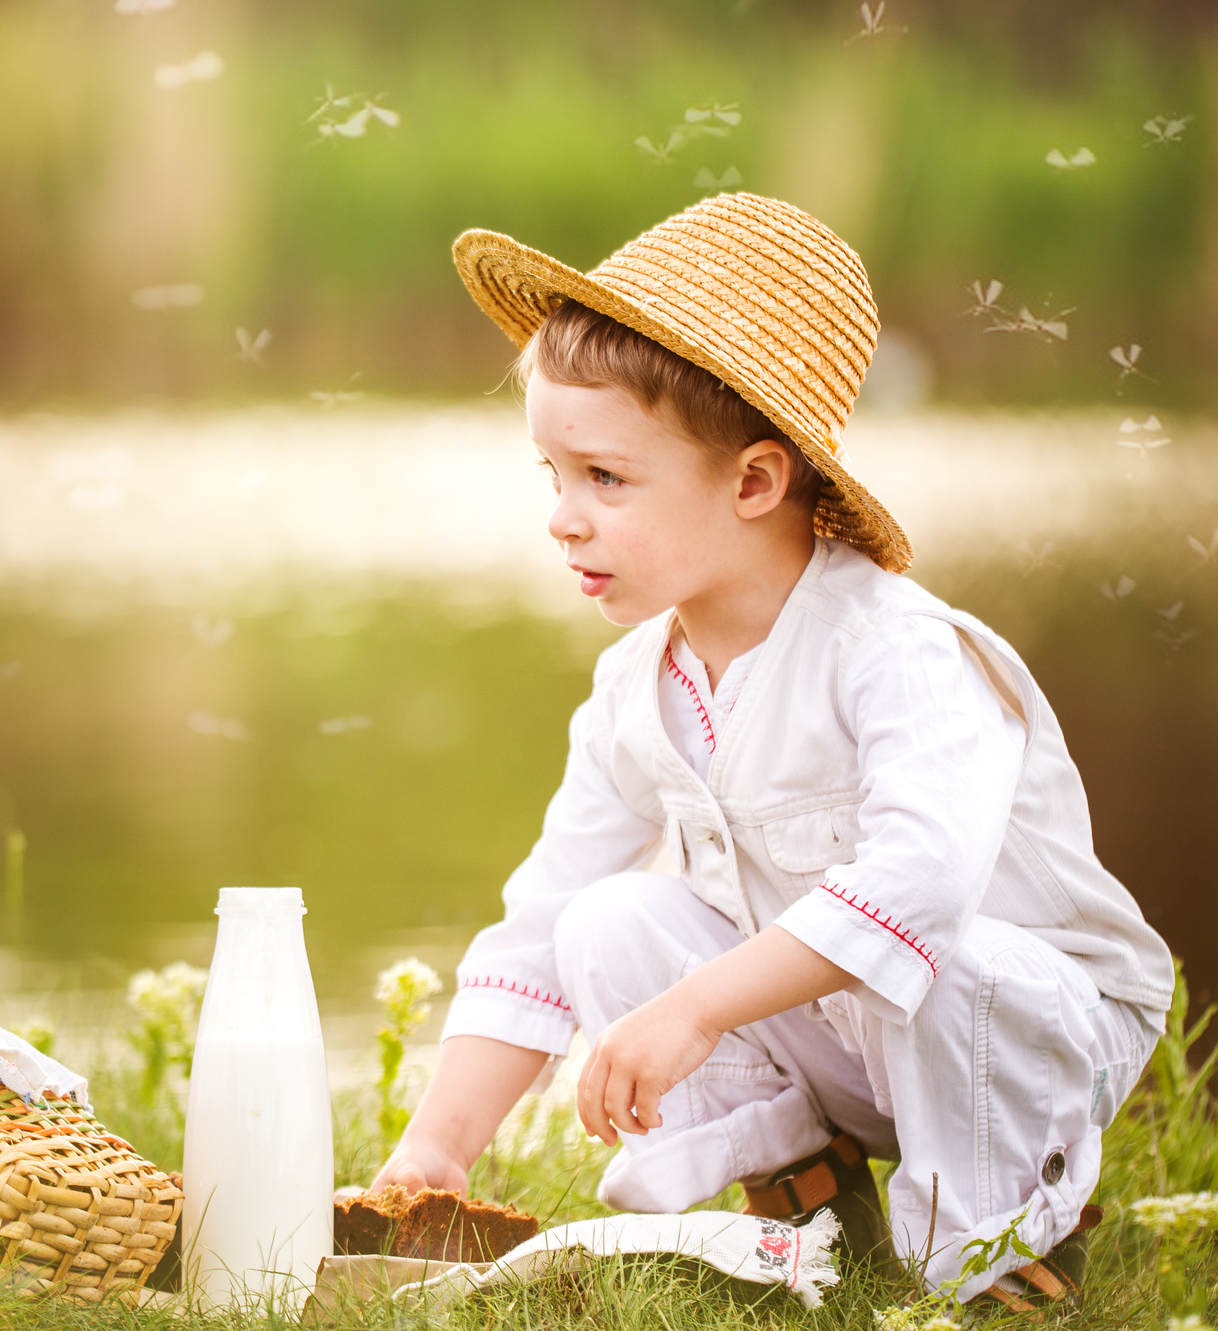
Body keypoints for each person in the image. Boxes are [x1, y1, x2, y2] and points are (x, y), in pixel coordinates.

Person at [370, 194, 1172, 1309]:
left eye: (604, 477)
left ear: (753, 481)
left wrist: (695, 1007)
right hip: (847, 1039)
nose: (562, 516)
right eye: (550, 474)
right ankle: (808, 1205)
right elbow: (543, 920)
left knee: (947, 952)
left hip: (1027, 1030)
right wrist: (439, 1147)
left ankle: (998, 1247)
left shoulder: (896, 649)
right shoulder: (632, 689)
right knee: (604, 917)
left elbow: (918, 883)